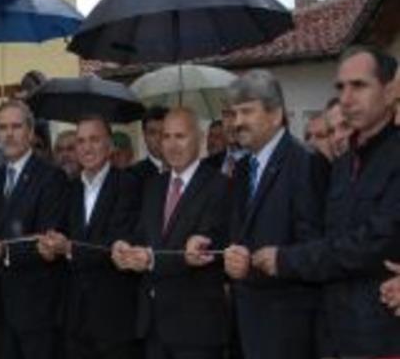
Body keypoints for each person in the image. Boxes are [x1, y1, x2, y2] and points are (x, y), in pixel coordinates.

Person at [251, 47, 400, 357]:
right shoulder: (343, 163)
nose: (346, 98)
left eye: (359, 85)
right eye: (340, 87)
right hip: (333, 335)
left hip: (380, 339)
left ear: (389, 92)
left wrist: (286, 260)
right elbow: (325, 235)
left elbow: (372, 244)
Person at [220, 70, 326, 359]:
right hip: (245, 324)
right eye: (234, 113)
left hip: (289, 329)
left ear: (276, 114)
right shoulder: (242, 169)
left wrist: (260, 263)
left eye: (247, 111)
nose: (237, 122)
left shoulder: (306, 162)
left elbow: (317, 250)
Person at [113, 108, 230, 359]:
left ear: (198, 138)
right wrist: (124, 247)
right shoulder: (154, 186)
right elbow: (144, 235)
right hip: (153, 326)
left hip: (196, 330)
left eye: (180, 136)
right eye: (166, 137)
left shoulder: (219, 186)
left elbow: (205, 249)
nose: (172, 145)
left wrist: (151, 259)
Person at [37, 116, 142, 359]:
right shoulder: (70, 189)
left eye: (94, 140)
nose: (86, 147)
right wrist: (49, 246)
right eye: (80, 141)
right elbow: (60, 234)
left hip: (113, 316)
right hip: (74, 317)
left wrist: (69, 248)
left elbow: (117, 242)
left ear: (109, 145)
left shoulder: (128, 184)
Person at [0, 100, 67, 359]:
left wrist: (2, 252)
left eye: (16, 126)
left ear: (30, 131)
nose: (9, 134)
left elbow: (48, 241)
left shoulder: (51, 177)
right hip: (0, 307)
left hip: (37, 309)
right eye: (2, 128)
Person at [130, 106, 169, 187]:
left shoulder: (184, 169)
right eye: (152, 133)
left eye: (164, 131)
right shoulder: (132, 175)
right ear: (144, 136)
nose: (159, 138)